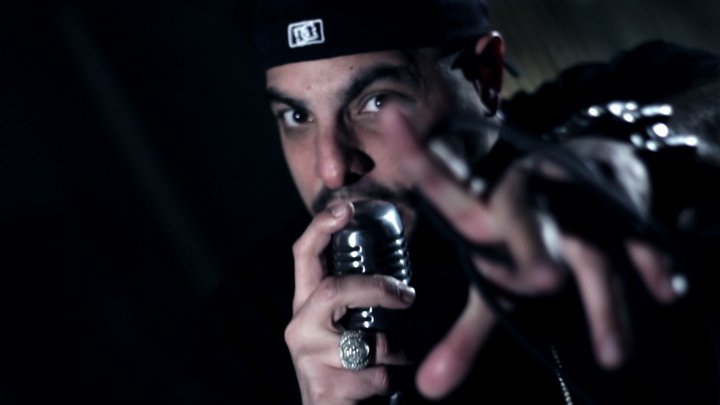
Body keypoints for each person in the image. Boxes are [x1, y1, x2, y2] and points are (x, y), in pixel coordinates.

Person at [248, 0, 720, 403]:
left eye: (376, 101)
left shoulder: (598, 105)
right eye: (296, 116)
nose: (332, 168)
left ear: (485, 76)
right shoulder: (246, 325)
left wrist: (630, 151)